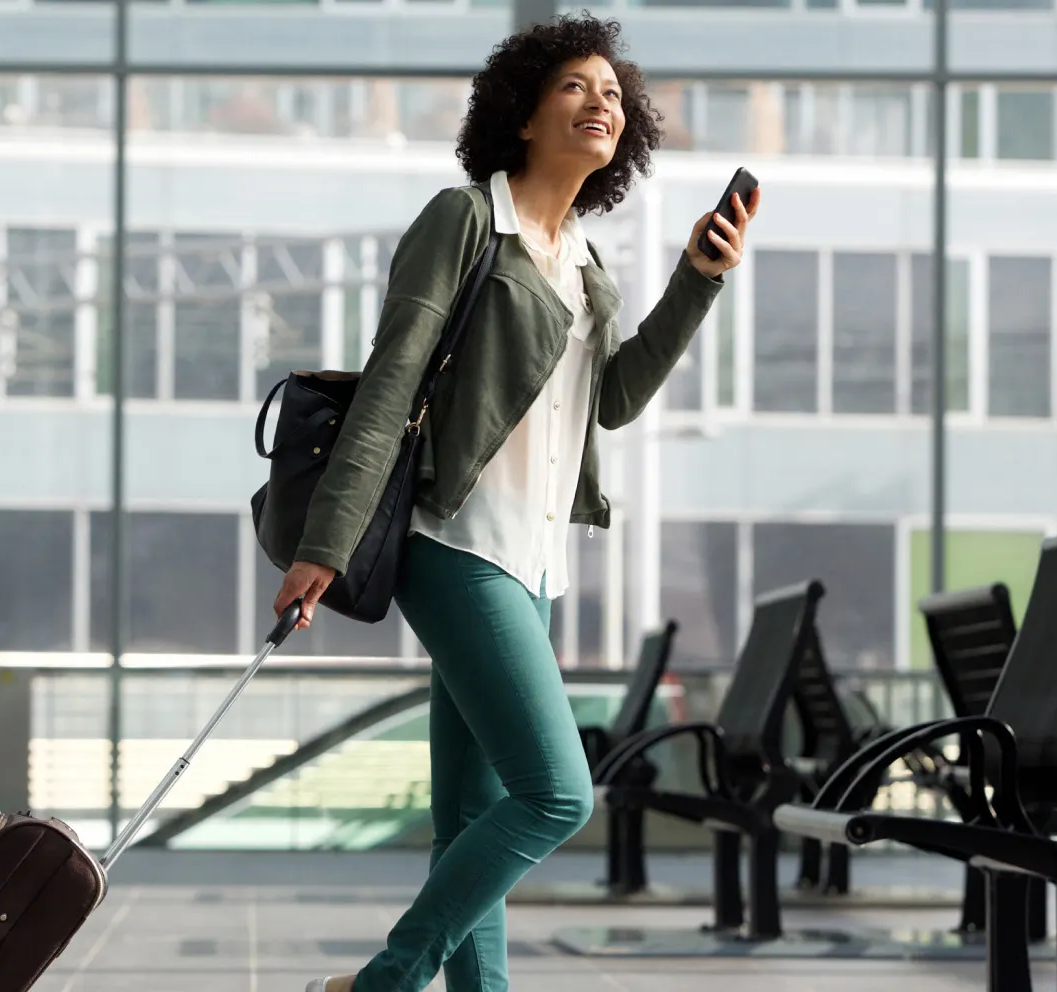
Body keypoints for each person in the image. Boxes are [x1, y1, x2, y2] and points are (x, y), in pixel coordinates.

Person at [282, 12, 760, 992]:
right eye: (576, 87)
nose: (601, 104)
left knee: (472, 815)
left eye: (614, 95)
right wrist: (323, 541)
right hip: (455, 543)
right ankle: (383, 980)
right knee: (555, 794)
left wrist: (697, 281)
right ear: (525, 113)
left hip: (535, 564)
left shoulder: (583, 262)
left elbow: (614, 400)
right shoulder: (464, 221)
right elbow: (389, 388)